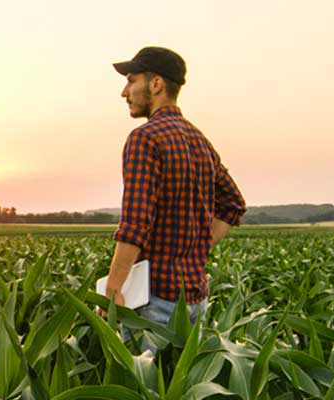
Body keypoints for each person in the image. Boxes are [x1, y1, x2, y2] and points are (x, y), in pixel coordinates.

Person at [102, 46, 246, 350]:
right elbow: (234, 203)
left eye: (131, 81)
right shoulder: (198, 140)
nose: (124, 92)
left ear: (156, 85)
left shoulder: (145, 138)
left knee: (143, 388)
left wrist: (113, 288)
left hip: (154, 304)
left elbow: (136, 223)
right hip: (195, 302)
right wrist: (193, 248)